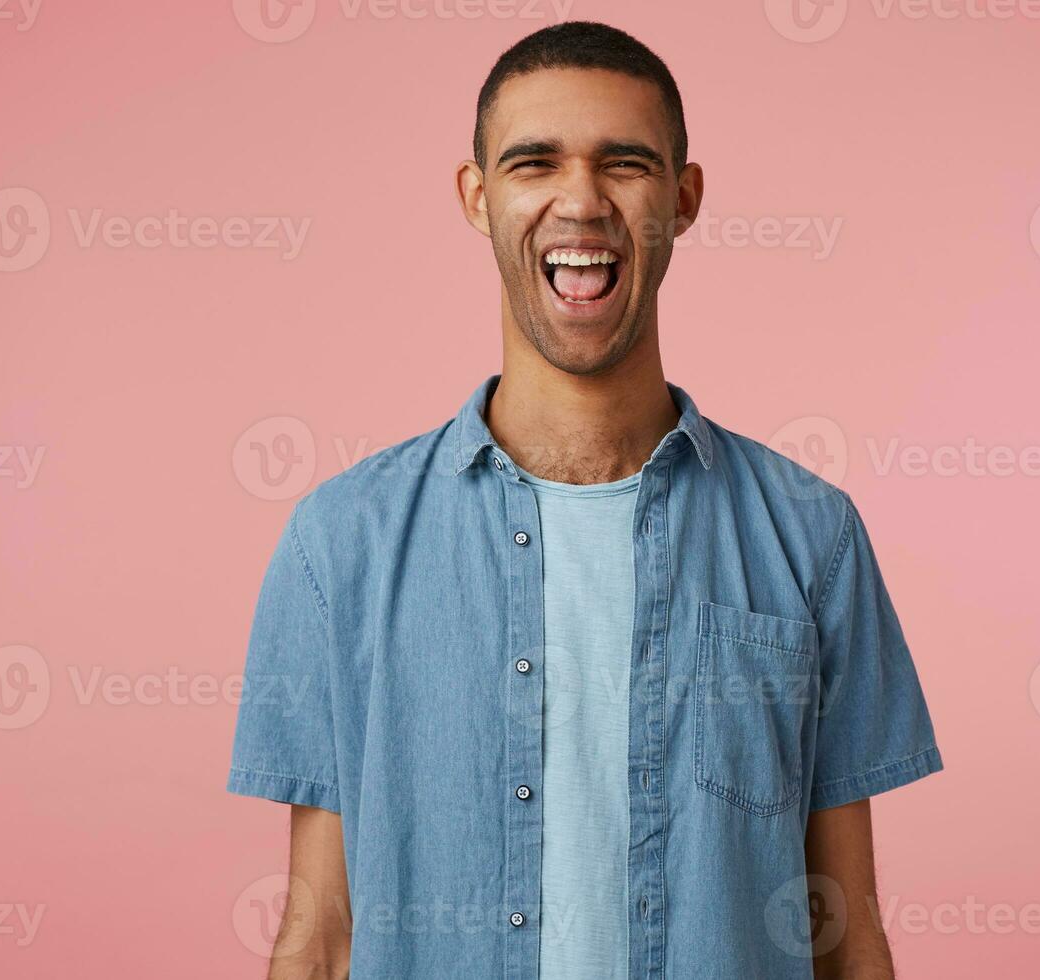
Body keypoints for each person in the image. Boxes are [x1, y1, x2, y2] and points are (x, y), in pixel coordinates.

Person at [228, 20, 942, 979]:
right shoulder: (340, 548)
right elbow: (318, 941)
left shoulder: (810, 541)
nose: (581, 200)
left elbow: (846, 938)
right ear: (478, 200)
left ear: (683, 199)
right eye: (534, 162)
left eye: (626, 163)